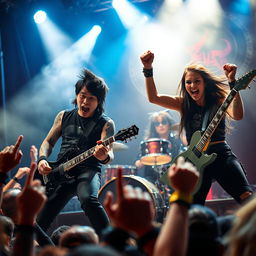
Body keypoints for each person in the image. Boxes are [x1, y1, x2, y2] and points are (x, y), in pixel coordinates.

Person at [140, 50, 253, 205]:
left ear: (204, 83)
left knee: (246, 197)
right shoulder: (183, 104)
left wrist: (233, 84)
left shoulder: (218, 100)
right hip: (195, 160)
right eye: (188, 82)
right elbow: (153, 98)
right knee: (190, 208)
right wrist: (148, 68)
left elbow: (238, 115)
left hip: (220, 154)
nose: (192, 85)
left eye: (197, 81)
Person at [37, 69, 115, 236]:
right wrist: (42, 159)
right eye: (82, 95)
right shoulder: (63, 116)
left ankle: (112, 243)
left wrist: (104, 156)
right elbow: (48, 142)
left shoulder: (106, 123)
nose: (85, 101)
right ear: (77, 94)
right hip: (60, 171)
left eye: (91, 98)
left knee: (88, 200)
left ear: (99, 101)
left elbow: (110, 154)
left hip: (88, 171)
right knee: (40, 221)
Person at [135, 110, 186, 183]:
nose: (160, 125)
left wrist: (182, 132)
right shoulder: (149, 143)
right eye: (157, 124)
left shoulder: (176, 141)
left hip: (173, 177)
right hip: (152, 179)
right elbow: (137, 164)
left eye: (164, 122)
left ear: (169, 124)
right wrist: (146, 158)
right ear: (154, 127)